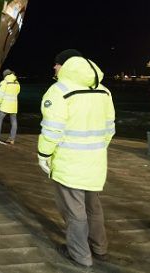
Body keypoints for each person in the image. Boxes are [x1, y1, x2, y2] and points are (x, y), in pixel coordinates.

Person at [37, 49, 115, 268]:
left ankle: (80, 255)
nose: (54, 67)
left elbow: (52, 130)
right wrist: (96, 149)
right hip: (96, 162)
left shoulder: (59, 91)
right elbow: (110, 128)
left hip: (69, 164)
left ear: (66, 65)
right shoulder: (104, 91)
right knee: (93, 206)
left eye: (57, 63)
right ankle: (100, 248)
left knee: (74, 212)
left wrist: (43, 155)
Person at [0, 69, 20, 144]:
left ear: (5, 75)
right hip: (14, 106)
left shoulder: (4, 83)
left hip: (5, 106)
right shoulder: (16, 83)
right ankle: (12, 139)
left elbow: (0, 95)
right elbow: (18, 92)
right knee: (14, 121)